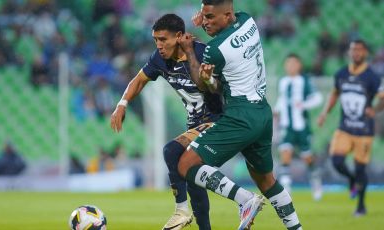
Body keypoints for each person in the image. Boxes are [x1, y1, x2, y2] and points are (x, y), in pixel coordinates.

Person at [177, 0, 302, 229]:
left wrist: (189, 52)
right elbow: (224, 76)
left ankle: (244, 200)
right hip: (263, 113)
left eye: (210, 17)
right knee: (266, 181)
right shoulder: (247, 21)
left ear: (226, 15)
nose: (205, 21)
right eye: (204, 16)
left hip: (241, 116)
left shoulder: (215, 50)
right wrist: (205, 22)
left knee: (186, 164)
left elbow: (205, 86)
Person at [110, 14, 223, 230]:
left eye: (163, 40)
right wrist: (122, 104)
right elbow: (139, 80)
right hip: (194, 125)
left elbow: (220, 86)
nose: (159, 46)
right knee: (193, 181)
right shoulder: (158, 59)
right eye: (156, 40)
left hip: (218, 120)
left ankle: (182, 211)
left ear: (179, 36)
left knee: (171, 151)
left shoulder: (202, 52)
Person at [317, 39, 384, 216]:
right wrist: (325, 113)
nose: (356, 53)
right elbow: (335, 94)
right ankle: (352, 179)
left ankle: (361, 205)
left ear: (366, 53)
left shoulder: (372, 76)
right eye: (353, 49)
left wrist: (375, 109)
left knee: (361, 168)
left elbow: (382, 97)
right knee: (337, 162)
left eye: (360, 50)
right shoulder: (341, 74)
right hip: (345, 128)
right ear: (349, 52)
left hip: (364, 131)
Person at [274, 53, 323, 200]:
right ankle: (286, 191)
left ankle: (316, 183)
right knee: (285, 154)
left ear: (299, 65)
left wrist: (303, 105)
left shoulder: (305, 81)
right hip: (287, 126)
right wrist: (277, 111)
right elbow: (282, 99)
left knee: (307, 157)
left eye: (294, 63)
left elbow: (318, 98)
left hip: (301, 126)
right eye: (288, 63)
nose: (291, 66)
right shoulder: (283, 81)